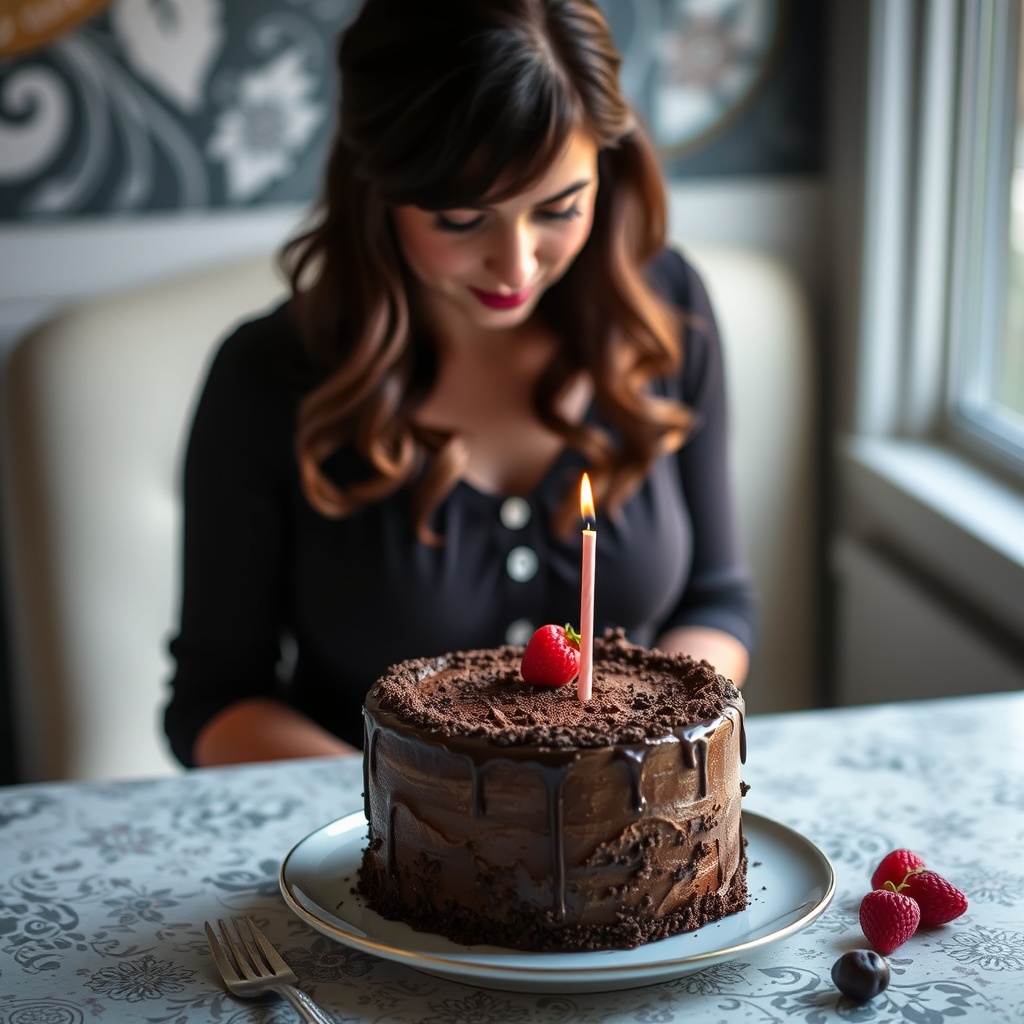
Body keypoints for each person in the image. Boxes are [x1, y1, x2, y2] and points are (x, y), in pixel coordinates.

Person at [163, 0, 756, 768]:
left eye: (558, 208)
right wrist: (426, 808)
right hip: (368, 853)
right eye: (460, 220)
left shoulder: (664, 314)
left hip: (622, 839)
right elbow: (214, 703)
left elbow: (718, 602)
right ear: (380, 188)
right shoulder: (268, 375)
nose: (516, 266)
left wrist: (657, 746)